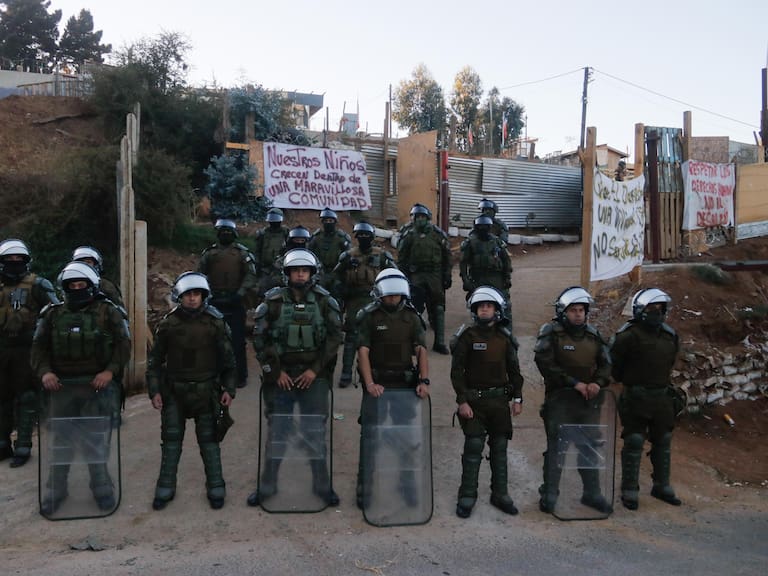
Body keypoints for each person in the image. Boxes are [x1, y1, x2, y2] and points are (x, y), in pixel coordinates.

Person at [31, 261, 130, 514]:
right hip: (61, 389)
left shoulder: (108, 312)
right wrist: (45, 372)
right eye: (71, 285)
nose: (76, 288)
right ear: (64, 287)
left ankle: (101, 487)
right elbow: (38, 349)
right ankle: (56, 489)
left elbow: (123, 345)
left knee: (95, 441)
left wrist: (109, 371)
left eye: (81, 284)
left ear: (91, 285)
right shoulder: (51, 314)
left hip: (96, 387)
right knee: (60, 442)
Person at [248, 248, 342, 507]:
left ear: (312, 273)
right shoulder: (273, 301)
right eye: (295, 270)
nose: (300, 275)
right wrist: (275, 372)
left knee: (315, 432)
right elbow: (259, 339)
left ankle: (322, 486)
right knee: (278, 432)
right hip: (281, 378)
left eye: (305, 270)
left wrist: (314, 371)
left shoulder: (325, 301)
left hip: (314, 376)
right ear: (287, 273)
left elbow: (335, 338)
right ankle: (267, 487)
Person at [147, 272, 237, 511]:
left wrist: (229, 388)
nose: (192, 299)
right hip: (174, 391)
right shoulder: (168, 324)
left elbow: (229, 361)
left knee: (209, 442)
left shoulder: (215, 323)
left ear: (203, 295)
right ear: (180, 296)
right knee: (171, 441)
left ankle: (216, 486)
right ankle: (165, 485)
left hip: (207, 391)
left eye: (196, 294)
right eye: (188, 294)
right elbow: (154, 362)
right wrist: (154, 390)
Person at [533, 286, 613, 515]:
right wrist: (573, 383)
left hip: (588, 402)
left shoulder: (593, 335)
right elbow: (545, 363)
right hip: (560, 401)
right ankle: (549, 493)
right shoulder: (551, 333)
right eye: (573, 310)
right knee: (557, 447)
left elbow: (607, 363)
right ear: (563, 312)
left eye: (581, 310)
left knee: (589, 447)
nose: (578, 314)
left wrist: (598, 382)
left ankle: (592, 492)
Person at [356, 268, 429, 510]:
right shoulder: (368, 316)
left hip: (404, 385)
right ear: (379, 294)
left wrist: (423, 380)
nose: (392, 299)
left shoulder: (412, 318)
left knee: (406, 438)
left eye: (397, 296)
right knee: (370, 437)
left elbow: (421, 350)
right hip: (377, 385)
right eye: (388, 296)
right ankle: (365, 486)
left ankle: (406, 483)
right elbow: (363, 352)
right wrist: (369, 384)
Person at [451, 286, 523, 518]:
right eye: (481, 306)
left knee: (500, 448)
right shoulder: (467, 337)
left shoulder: (505, 338)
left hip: (500, 403)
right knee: (473, 447)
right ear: (474, 310)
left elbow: (514, 371)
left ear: (496, 310)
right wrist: (462, 401)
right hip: (474, 402)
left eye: (489, 306)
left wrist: (517, 398)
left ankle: (500, 494)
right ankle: (467, 495)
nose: (484, 309)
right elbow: (457, 373)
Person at [610, 288, 682, 510]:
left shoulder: (669, 336)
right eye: (651, 309)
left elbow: (669, 363)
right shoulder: (627, 336)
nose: (656, 314)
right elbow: (615, 368)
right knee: (634, 441)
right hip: (635, 396)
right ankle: (629, 488)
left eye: (660, 309)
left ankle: (662, 485)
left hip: (661, 396)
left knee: (663, 440)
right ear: (640, 310)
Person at [0, 238, 59, 468]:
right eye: (9, 259)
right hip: (2, 349)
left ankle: (24, 445)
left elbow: (55, 313)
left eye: (19, 259)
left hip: (28, 350)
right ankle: (2, 443)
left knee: (27, 398)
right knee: (2, 399)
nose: (14, 262)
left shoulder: (38, 285)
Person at [333, 222, 397, 388]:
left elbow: (394, 274)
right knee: (351, 338)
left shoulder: (381, 255)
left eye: (366, 235)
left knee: (380, 335)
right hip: (354, 301)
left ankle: (379, 371)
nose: (363, 238)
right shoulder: (348, 256)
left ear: (372, 237)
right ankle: (346, 372)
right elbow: (335, 277)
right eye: (359, 235)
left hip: (376, 300)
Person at [198, 219, 257, 388]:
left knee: (237, 341)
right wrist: (206, 293)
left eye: (228, 232)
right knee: (212, 340)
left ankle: (240, 375)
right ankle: (215, 375)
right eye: (222, 231)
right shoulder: (209, 254)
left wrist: (239, 293)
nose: (225, 234)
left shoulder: (242, 253)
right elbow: (200, 274)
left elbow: (251, 275)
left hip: (235, 301)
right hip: (214, 301)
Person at [397, 204, 453, 354]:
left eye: (422, 217)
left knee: (439, 307)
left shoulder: (437, 234)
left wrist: (447, 274)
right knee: (413, 308)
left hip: (435, 274)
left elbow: (447, 256)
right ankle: (416, 342)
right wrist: (403, 277)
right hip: (416, 275)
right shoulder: (408, 235)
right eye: (417, 217)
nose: (420, 220)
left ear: (428, 218)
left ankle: (439, 342)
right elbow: (401, 258)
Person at [459, 216, 512, 302]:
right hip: (477, 278)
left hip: (496, 278)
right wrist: (465, 280)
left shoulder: (497, 242)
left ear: (490, 227)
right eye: (480, 226)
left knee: (503, 301)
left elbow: (506, 260)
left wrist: (507, 277)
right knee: (475, 301)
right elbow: (463, 262)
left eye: (486, 226)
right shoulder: (470, 243)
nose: (483, 229)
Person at [308, 207, 351, 297]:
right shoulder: (316, 237)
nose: (328, 223)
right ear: (322, 222)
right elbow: (310, 254)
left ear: (335, 221)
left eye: (330, 220)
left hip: (337, 273)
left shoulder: (341, 238)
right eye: (326, 220)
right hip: (320, 272)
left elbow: (348, 255)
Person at [252, 208, 289, 298]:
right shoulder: (263, 233)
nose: (274, 223)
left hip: (281, 269)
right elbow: (258, 250)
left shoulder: (286, 233)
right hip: (265, 269)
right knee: (262, 292)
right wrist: (258, 265)